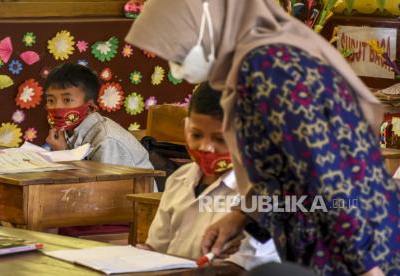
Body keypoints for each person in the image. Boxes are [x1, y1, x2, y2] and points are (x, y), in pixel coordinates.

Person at [125, 0, 400, 275]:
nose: (176, 66)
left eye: (180, 49)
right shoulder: (260, 59)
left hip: (355, 242)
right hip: (337, 235)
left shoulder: (267, 69)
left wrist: (366, 268)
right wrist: (240, 216)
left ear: (208, 27)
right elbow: (282, 163)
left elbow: (324, 173)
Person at [136, 82, 280, 270]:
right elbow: (158, 247)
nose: (205, 147)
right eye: (196, 135)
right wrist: (143, 254)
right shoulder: (179, 179)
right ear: (185, 126)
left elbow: (240, 267)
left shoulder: (263, 192)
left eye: (220, 139)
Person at [44, 63, 153, 169]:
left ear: (91, 108)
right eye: (51, 100)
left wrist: (63, 154)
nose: (56, 107)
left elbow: (105, 185)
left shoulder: (106, 140)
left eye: (67, 100)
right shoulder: (66, 132)